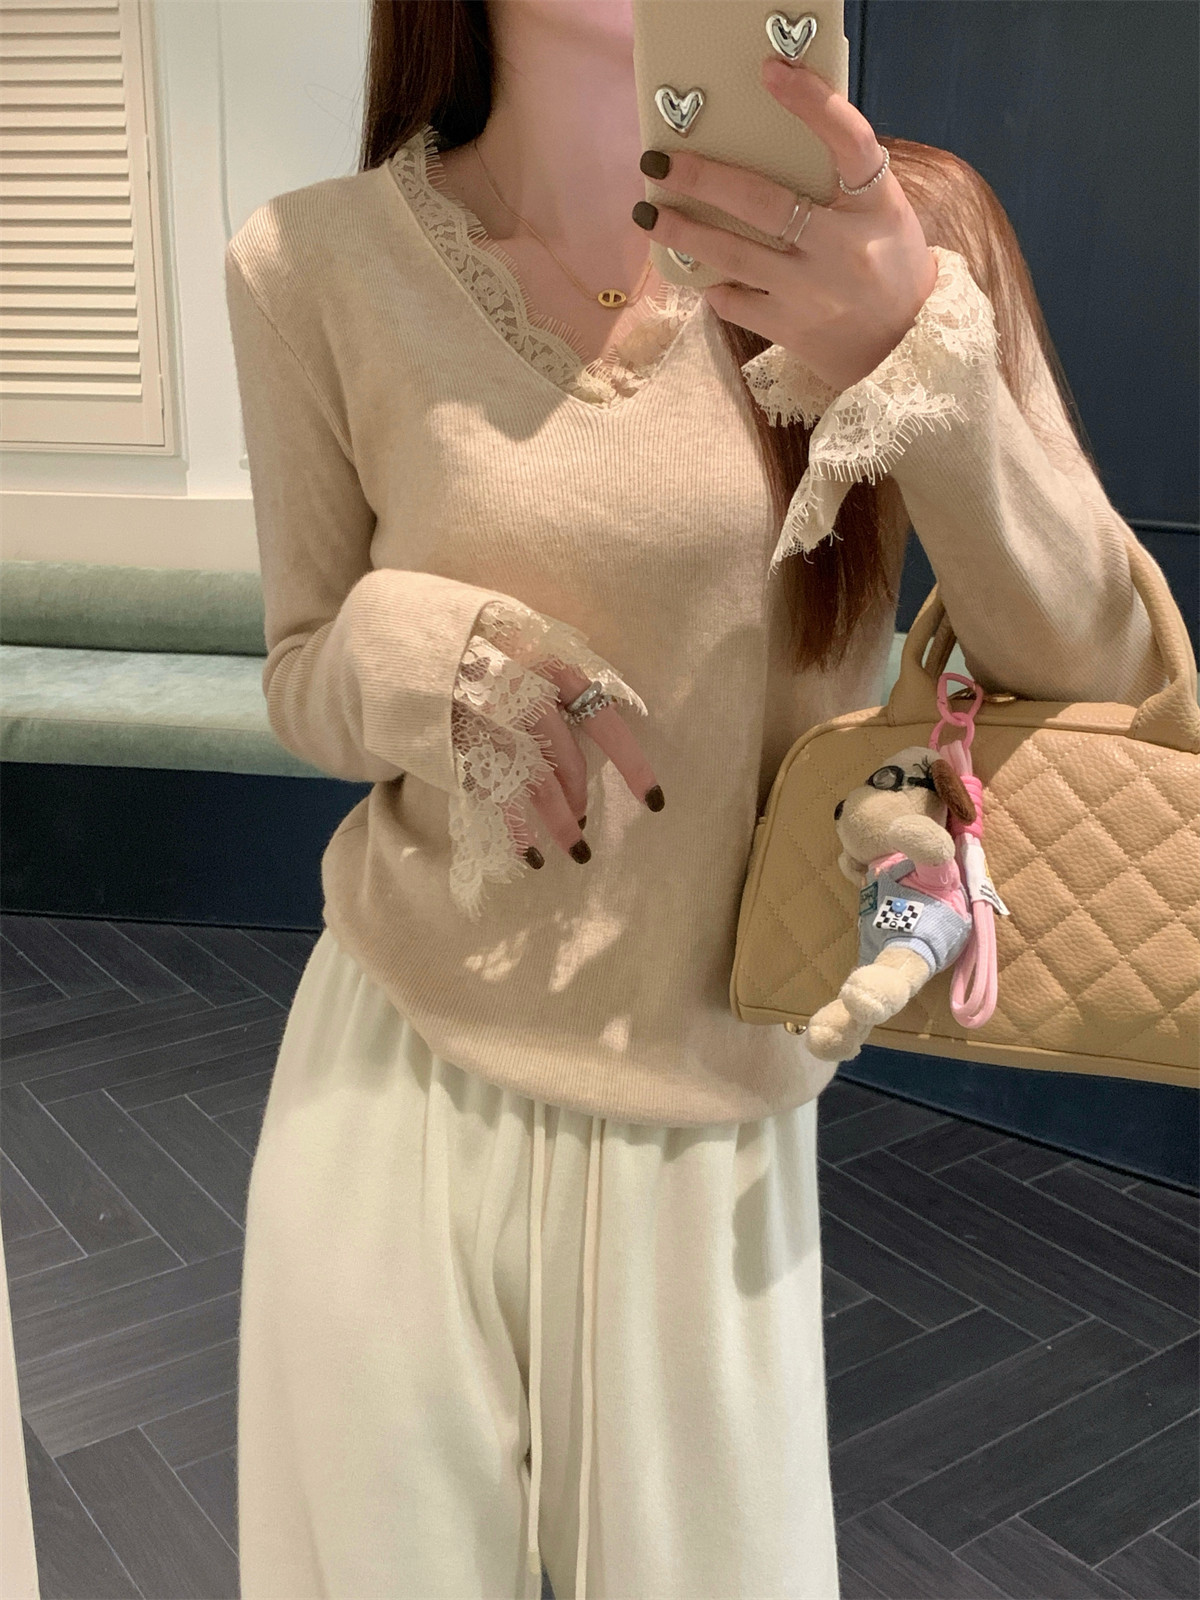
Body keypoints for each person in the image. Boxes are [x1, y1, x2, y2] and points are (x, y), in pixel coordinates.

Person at [224, 3, 1167, 1596]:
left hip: (706, 1120)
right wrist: (419, 651)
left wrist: (912, 354)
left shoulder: (900, 232)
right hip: (388, 1082)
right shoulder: (308, 264)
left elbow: (1099, 670)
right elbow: (305, 666)